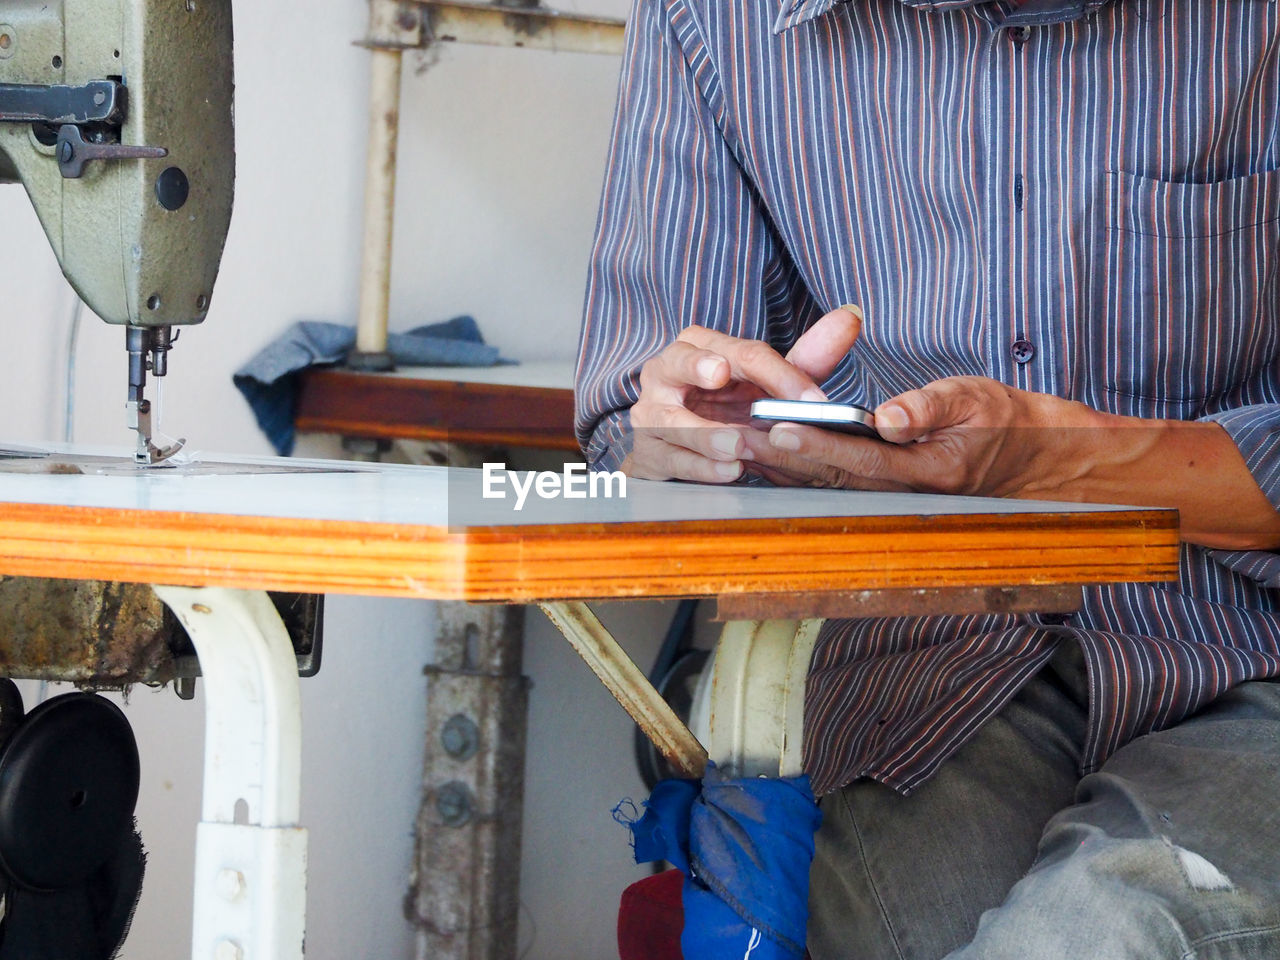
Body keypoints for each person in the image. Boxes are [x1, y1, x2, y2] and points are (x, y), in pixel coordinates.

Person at [574, 0, 1280, 956]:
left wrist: (1054, 456)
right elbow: (631, 412)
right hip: (919, 673)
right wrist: (688, 431)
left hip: (1251, 652)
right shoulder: (715, 20)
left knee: (1104, 933)